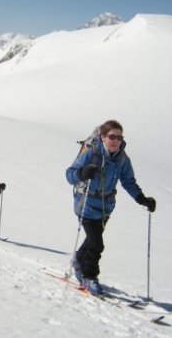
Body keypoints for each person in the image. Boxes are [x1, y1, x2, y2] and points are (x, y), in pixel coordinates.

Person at [65, 120, 156, 296]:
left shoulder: (122, 158)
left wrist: (142, 199)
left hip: (106, 207)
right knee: (97, 244)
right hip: (86, 204)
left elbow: (128, 181)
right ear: (103, 137)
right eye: (112, 136)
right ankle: (89, 276)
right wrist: (81, 173)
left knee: (93, 240)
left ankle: (78, 259)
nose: (116, 140)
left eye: (119, 137)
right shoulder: (92, 154)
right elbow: (69, 175)